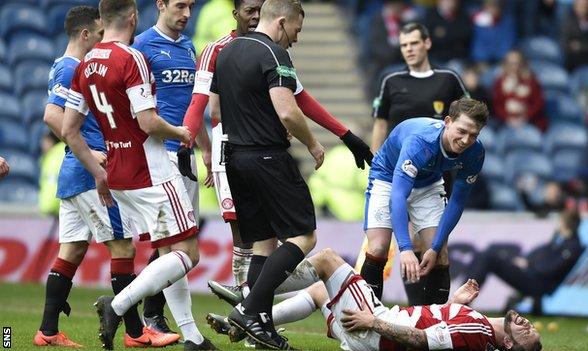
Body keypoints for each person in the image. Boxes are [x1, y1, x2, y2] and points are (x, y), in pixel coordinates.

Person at [180, 0, 372, 289]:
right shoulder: (219, 49)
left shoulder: (269, 49)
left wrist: (344, 134)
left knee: (264, 238)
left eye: (260, 11)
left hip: (255, 148)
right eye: (249, 12)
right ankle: (247, 303)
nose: (256, 18)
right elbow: (202, 105)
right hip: (233, 148)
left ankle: (251, 308)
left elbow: (299, 98)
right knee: (247, 237)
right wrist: (190, 142)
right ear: (235, 15)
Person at [60, 0, 215, 349]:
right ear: (133, 17)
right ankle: (117, 305)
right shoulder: (133, 57)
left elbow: (70, 129)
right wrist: (182, 133)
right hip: (153, 170)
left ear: (103, 21)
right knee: (188, 254)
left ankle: (192, 337)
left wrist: (97, 171)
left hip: (117, 173)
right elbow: (147, 122)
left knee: (167, 251)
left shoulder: (84, 65)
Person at [34, 5, 178, 348]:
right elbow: (53, 116)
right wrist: (90, 152)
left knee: (71, 252)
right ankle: (134, 332)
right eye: (98, 34)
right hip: (88, 174)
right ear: (86, 34)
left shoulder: (66, 65)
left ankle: (48, 331)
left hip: (73, 174)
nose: (102, 39)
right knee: (123, 246)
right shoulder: (72, 68)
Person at [206, 0, 337, 348]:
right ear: (281, 22)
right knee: (303, 236)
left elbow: (215, 108)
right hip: (267, 156)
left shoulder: (227, 51)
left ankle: (261, 324)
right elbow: (287, 110)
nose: (295, 38)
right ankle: (249, 309)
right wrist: (313, 144)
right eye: (296, 30)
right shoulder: (275, 54)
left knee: (263, 242)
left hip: (234, 157)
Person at [210, 248, 543, 351]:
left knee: (326, 260)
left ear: (511, 346)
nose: (528, 325)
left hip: (374, 330)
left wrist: (374, 322)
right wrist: (456, 302)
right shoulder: (478, 328)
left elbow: (421, 338)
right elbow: (442, 331)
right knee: (319, 290)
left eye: (528, 335)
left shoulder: (480, 332)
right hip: (374, 331)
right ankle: (250, 322)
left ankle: (251, 299)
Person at [132, 0, 212, 343]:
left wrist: (206, 147)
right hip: (159, 156)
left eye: (191, 7)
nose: (187, 14)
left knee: (175, 243)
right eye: (180, 6)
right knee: (176, 244)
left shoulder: (188, 46)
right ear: (160, 5)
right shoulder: (142, 46)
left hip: (186, 153)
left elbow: (192, 104)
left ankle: (148, 312)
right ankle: (152, 314)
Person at [362, 98, 488, 310]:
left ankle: (432, 330)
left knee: (439, 255)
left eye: (473, 135)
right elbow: (398, 195)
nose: (466, 140)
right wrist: (405, 248)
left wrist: (436, 246)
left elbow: (457, 201)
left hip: (429, 182)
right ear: (448, 121)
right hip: (388, 177)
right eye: (462, 131)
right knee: (378, 247)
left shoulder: (476, 153)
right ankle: (366, 320)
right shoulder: (420, 141)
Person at [371, 22, 467, 152]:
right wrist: (374, 166)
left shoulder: (449, 77)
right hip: (397, 161)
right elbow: (380, 125)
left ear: (427, 43)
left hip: (438, 162)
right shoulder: (390, 80)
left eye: (414, 43)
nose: (408, 49)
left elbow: (468, 118)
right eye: (404, 45)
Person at [470, 208, 583, 314]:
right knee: (485, 256)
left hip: (535, 282)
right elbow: (542, 254)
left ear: (564, 223)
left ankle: (466, 298)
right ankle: (467, 295)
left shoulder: (572, 247)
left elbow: (550, 270)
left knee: (488, 258)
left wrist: (529, 264)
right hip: (530, 276)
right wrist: (526, 261)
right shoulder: (559, 241)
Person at [492, 50, 546, 131]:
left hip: (530, 121)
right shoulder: (500, 81)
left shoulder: (531, 80)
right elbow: (496, 104)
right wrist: (507, 118)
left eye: (516, 63)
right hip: (504, 123)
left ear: (522, 63)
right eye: (509, 63)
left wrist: (525, 117)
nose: (513, 66)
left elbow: (538, 103)